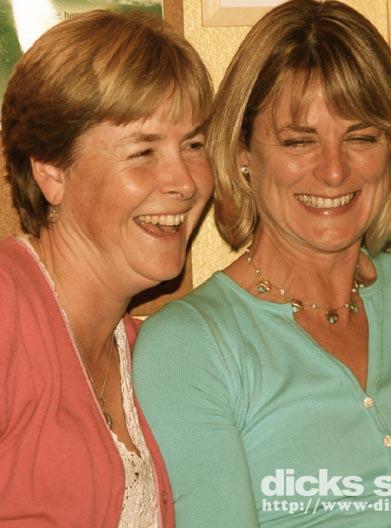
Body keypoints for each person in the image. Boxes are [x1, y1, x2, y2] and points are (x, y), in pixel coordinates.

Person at [133, 0, 391, 526]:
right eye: (298, 141)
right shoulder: (188, 344)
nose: (334, 172)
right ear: (243, 154)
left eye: (361, 137)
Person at [0, 9, 212, 527]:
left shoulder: (147, 352)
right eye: (143, 151)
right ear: (52, 172)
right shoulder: (7, 310)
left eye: (194, 145)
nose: (185, 182)